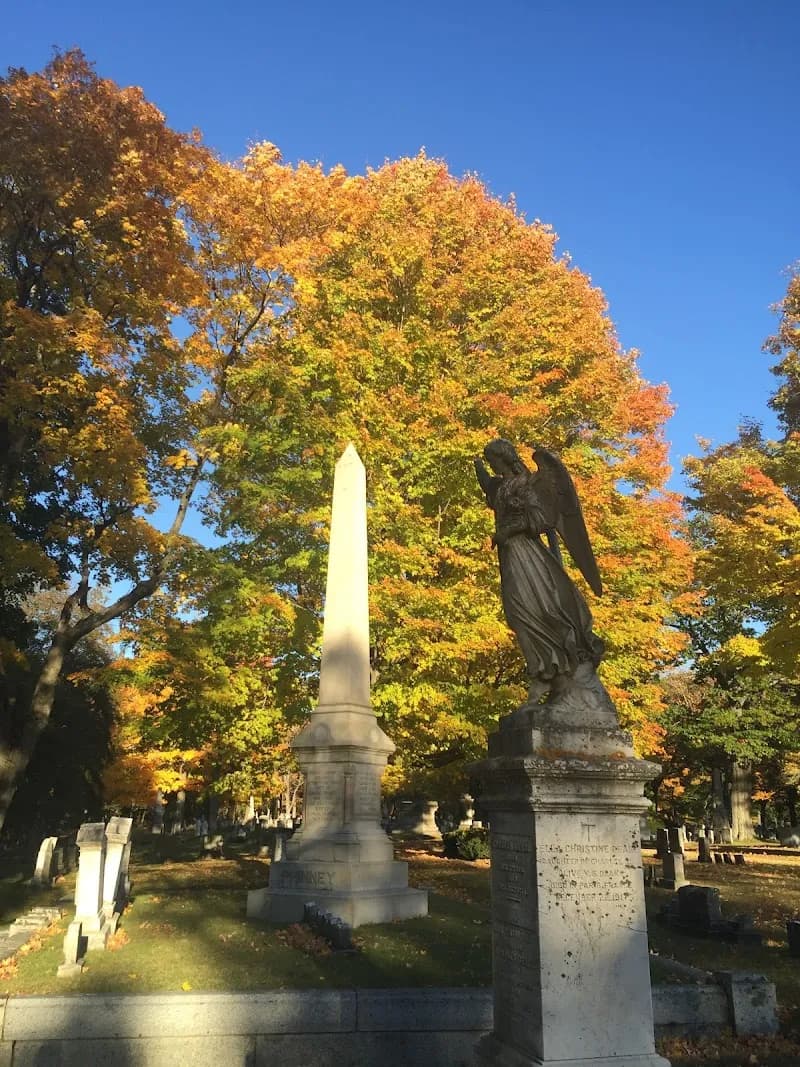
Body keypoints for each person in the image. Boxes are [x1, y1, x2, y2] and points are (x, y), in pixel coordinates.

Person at [475, 439, 604, 703]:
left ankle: (553, 673)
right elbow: (490, 489)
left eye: (492, 460)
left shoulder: (526, 483)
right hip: (510, 553)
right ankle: (545, 672)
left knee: (536, 609)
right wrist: (478, 469)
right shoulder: (500, 486)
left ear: (504, 458)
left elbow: (540, 519)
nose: (490, 465)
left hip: (526, 552)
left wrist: (509, 530)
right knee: (516, 612)